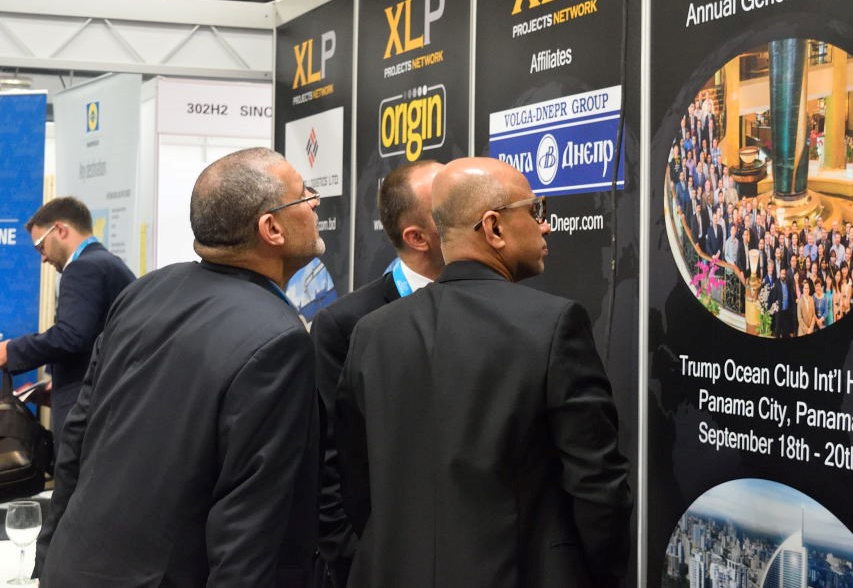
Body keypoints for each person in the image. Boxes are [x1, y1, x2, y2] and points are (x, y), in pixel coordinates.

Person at [334, 157, 632, 588]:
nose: (546, 226)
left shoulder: (371, 332)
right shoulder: (553, 326)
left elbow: (354, 481)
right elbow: (597, 485)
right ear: (493, 228)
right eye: (535, 210)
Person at [36, 148, 323, 587]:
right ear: (272, 229)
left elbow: (77, 438)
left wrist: (48, 559)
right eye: (304, 195)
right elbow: (249, 522)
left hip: (74, 567)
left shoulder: (146, 290)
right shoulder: (278, 339)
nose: (316, 203)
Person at [310, 160, 444, 587]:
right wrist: (355, 560)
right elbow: (328, 461)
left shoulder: (504, 308)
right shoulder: (346, 323)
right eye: (450, 205)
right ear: (417, 237)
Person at [0, 197, 134, 452]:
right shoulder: (110, 264)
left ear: (60, 230)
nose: (43, 258)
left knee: (72, 477)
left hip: (86, 412)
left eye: (41, 246)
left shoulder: (82, 269)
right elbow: (93, 337)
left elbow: (71, 335)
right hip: (107, 403)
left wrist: (12, 350)